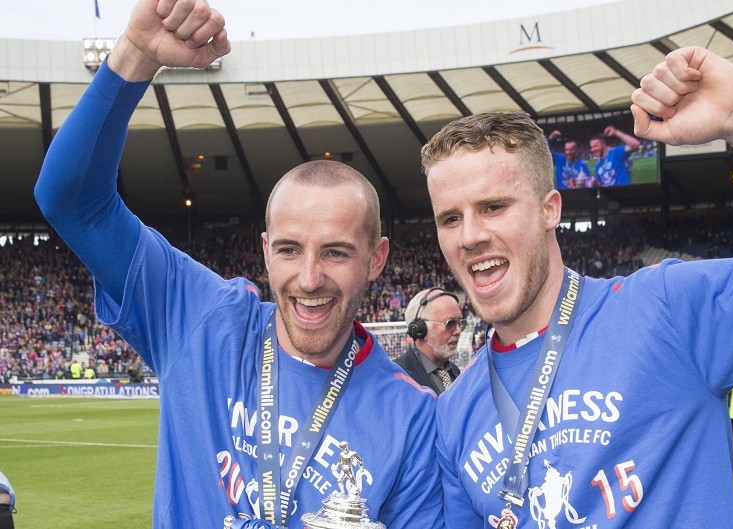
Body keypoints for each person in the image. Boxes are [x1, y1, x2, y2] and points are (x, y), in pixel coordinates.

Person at [421, 46, 733, 527]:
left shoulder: (666, 310)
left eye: (494, 207)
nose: (470, 236)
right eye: (449, 218)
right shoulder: (454, 411)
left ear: (549, 210)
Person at [34, 1, 441, 527]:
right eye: (290, 249)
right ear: (266, 249)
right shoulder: (203, 318)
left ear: (376, 259)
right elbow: (70, 200)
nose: (310, 278)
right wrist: (134, 55)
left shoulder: (413, 417)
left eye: (336, 252)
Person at [394, 287, 463, 395]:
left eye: (460, 323)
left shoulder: (455, 371)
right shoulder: (395, 376)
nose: (458, 330)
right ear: (420, 329)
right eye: (450, 323)